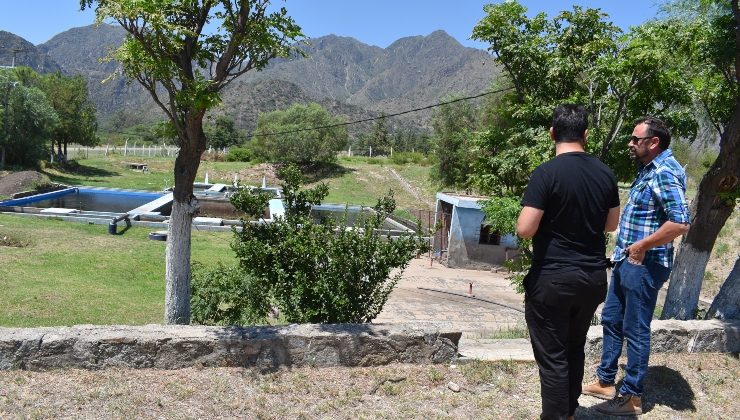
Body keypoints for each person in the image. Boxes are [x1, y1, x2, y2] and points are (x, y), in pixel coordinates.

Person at [517, 104, 620, 420]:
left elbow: (524, 228)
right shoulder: (605, 173)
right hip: (591, 280)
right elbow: (611, 224)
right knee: (574, 347)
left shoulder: (546, 173)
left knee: (553, 358)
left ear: (552, 134)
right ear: (586, 135)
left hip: (553, 280)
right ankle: (570, 411)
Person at [585, 117, 690, 416]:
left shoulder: (665, 172)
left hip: (644, 263)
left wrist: (642, 246)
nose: (630, 143)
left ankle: (632, 397)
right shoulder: (648, 169)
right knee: (612, 319)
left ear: (653, 143)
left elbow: (680, 223)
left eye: (635, 139)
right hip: (626, 260)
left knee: (635, 328)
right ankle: (606, 381)